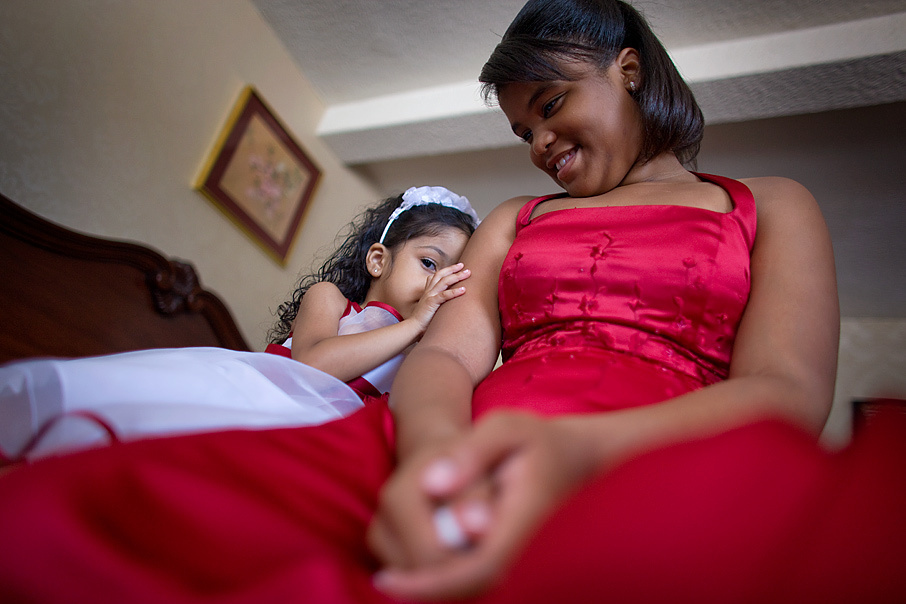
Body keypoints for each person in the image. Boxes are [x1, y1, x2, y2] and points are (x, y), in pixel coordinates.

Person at [0, 1, 903, 603]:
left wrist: (569, 450)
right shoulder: (518, 215)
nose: (542, 145)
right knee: (87, 520)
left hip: (665, 453)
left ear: (629, 68)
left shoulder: (772, 203)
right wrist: (431, 460)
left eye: (552, 107)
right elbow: (442, 356)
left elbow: (785, 393)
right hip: (447, 440)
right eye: (524, 132)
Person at [0, 186, 477, 463]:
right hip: (265, 401)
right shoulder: (331, 300)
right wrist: (414, 323)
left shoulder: (425, 354)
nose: (438, 283)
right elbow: (313, 364)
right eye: (430, 263)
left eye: (452, 275)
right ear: (378, 260)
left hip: (323, 445)